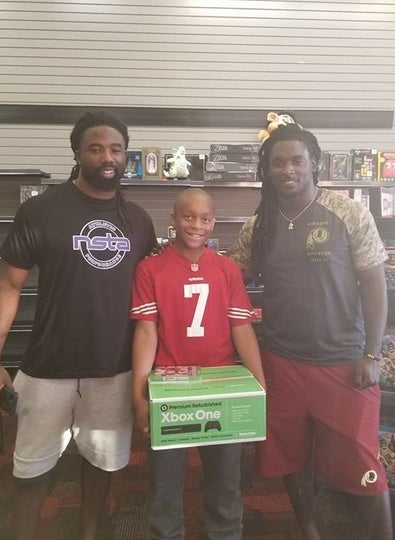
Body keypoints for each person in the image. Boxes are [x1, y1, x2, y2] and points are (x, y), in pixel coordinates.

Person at [0, 111, 158, 540]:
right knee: (30, 470)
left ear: (126, 154)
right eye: (96, 148)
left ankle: (90, 533)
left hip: (113, 367)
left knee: (102, 464)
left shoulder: (138, 219)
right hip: (47, 366)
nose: (107, 157)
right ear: (77, 153)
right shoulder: (41, 211)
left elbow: (153, 296)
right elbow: (7, 285)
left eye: (115, 149)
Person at [228, 122, 393, 540]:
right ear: (267, 170)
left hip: (344, 363)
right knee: (289, 457)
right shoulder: (258, 225)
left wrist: (372, 355)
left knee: (364, 463)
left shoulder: (348, 213)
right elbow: (230, 279)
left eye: (297, 160)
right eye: (278, 162)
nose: (288, 169)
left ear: (314, 164)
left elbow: (375, 286)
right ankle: (310, 530)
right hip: (281, 362)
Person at [130, 188, 265, 540]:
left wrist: (259, 386)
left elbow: (242, 329)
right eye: (187, 216)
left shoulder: (227, 269)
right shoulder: (150, 269)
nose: (196, 225)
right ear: (173, 219)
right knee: (165, 485)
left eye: (204, 218)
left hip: (221, 386)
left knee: (225, 484)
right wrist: (139, 395)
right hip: (170, 389)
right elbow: (146, 334)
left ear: (214, 223)